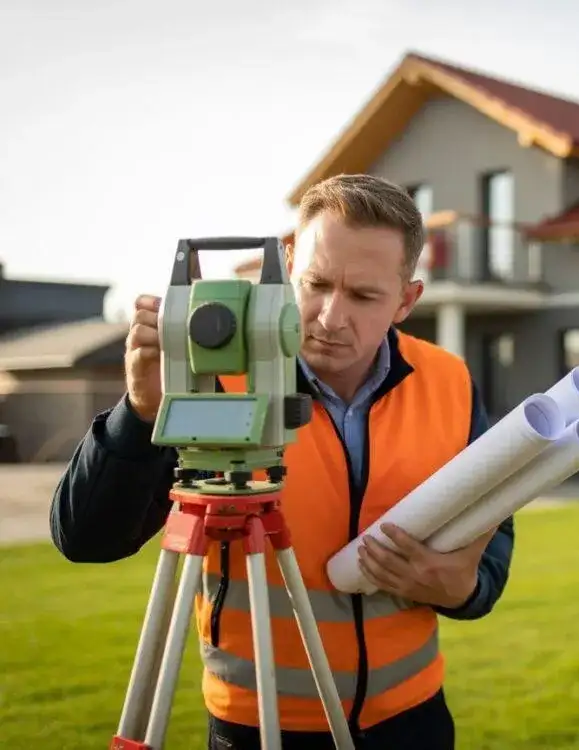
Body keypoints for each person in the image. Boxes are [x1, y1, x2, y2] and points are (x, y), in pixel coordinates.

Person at [49, 173, 515, 750]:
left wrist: (465, 587)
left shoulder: (450, 381)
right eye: (316, 284)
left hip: (413, 720)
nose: (328, 316)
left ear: (406, 301)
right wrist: (142, 412)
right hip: (258, 727)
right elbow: (86, 538)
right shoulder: (212, 377)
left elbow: (491, 532)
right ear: (286, 265)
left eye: (364, 295)